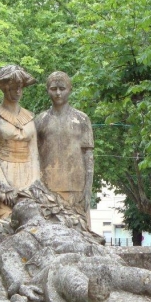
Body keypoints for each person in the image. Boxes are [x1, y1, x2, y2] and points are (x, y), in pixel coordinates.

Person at [0, 199, 151, 302]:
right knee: (67, 275)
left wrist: (111, 260)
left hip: (87, 260)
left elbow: (92, 246)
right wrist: (19, 286)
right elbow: (10, 267)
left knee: (134, 275)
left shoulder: (62, 228)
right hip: (52, 268)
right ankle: (90, 299)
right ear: (17, 223)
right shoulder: (15, 240)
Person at [34, 71, 94, 225]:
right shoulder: (40, 120)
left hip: (76, 187)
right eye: (53, 89)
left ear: (70, 89)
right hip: (47, 189)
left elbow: (88, 154)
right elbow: (34, 156)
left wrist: (88, 188)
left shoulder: (82, 119)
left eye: (62, 88)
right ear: (47, 90)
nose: (58, 93)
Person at [0, 65, 42, 217]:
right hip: (5, 171)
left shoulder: (29, 117)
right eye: (13, 87)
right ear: (4, 88)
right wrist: (3, 184)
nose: (17, 91)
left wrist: (35, 181)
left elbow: (34, 153)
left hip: (27, 174)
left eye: (20, 87)